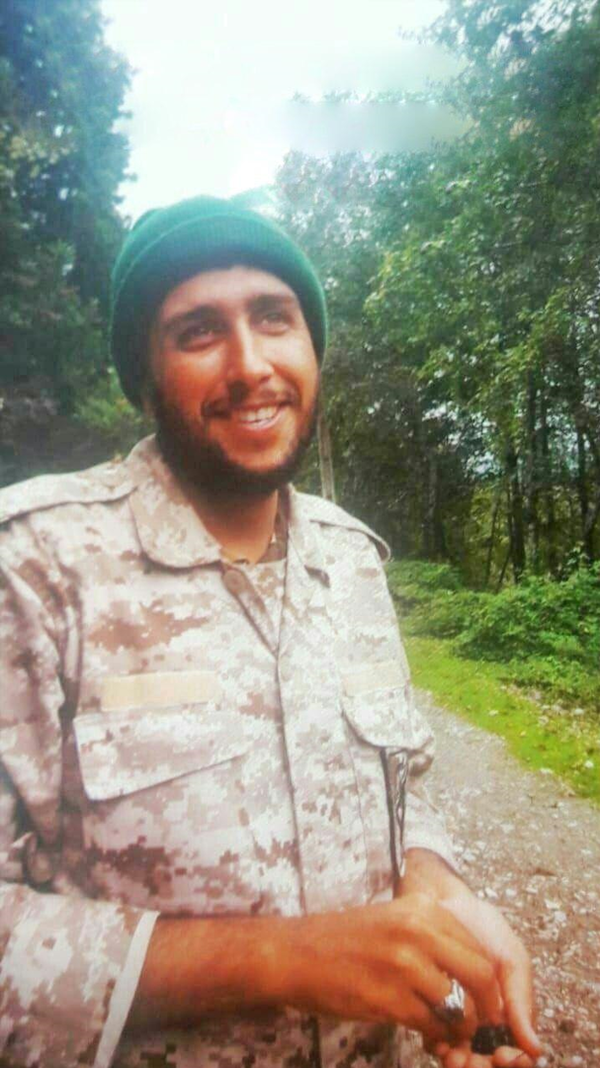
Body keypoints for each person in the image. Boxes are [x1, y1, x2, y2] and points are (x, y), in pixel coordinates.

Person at [0, 196, 542, 1068]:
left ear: (312, 348)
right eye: (198, 332)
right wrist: (284, 961)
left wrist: (436, 887)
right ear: (144, 377)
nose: (251, 366)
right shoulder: (33, 568)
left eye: (274, 319)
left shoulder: (351, 559)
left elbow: (403, 794)